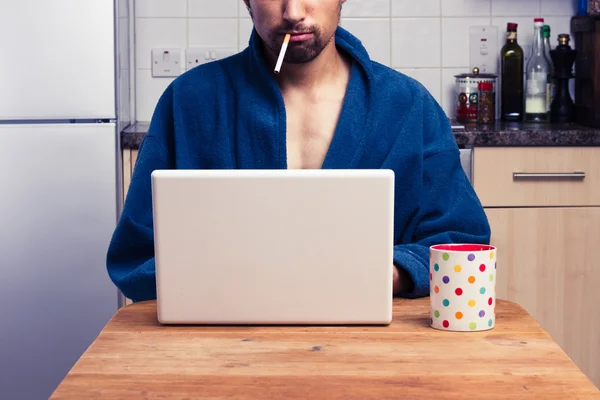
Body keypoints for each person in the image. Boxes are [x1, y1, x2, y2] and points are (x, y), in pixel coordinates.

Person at [106, 0, 491, 303]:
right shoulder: (189, 101)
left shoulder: (408, 106)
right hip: (217, 347)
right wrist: (226, 279)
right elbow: (136, 255)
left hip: (374, 348)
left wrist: (387, 273)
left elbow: (462, 242)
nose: (292, 12)